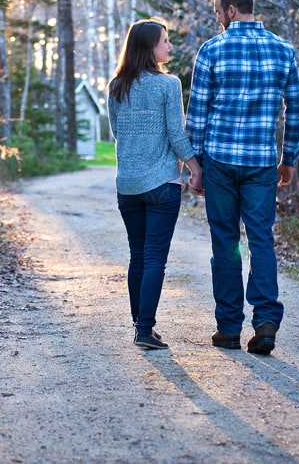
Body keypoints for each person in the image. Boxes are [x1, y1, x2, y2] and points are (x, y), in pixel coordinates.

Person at [185, 0, 299, 355]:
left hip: (220, 162)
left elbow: (197, 115)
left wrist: (197, 166)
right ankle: (266, 323)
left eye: (218, 13)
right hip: (262, 163)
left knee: (225, 242)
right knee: (261, 239)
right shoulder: (284, 50)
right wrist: (289, 160)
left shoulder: (212, 50)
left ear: (232, 10)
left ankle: (228, 328)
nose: (217, 19)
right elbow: (295, 112)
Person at [108, 19, 203, 351]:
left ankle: (140, 326)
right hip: (162, 183)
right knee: (153, 259)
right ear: (149, 46)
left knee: (137, 256)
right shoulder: (168, 85)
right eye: (165, 41)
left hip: (128, 186)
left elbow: (117, 132)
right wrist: (195, 168)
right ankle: (145, 330)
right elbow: (177, 135)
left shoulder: (117, 85)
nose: (170, 46)